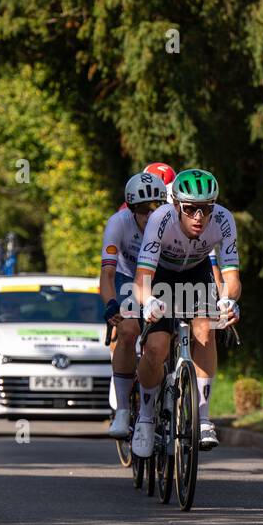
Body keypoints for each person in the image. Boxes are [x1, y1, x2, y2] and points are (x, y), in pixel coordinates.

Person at [130, 168, 241, 456]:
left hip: (197, 273)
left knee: (205, 330)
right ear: (177, 206)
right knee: (156, 347)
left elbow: (231, 277)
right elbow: (143, 275)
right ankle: (144, 416)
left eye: (205, 209)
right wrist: (149, 301)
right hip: (161, 276)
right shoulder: (160, 219)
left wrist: (228, 300)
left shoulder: (224, 220)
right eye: (190, 209)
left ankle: (203, 418)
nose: (198, 217)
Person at [102, 169, 169, 438]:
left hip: (161, 277)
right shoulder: (118, 223)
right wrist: (110, 304)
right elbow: (106, 274)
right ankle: (122, 411)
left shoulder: (170, 222)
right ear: (131, 209)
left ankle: (169, 384)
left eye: (155, 207)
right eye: (142, 209)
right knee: (129, 331)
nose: (148, 214)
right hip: (127, 276)